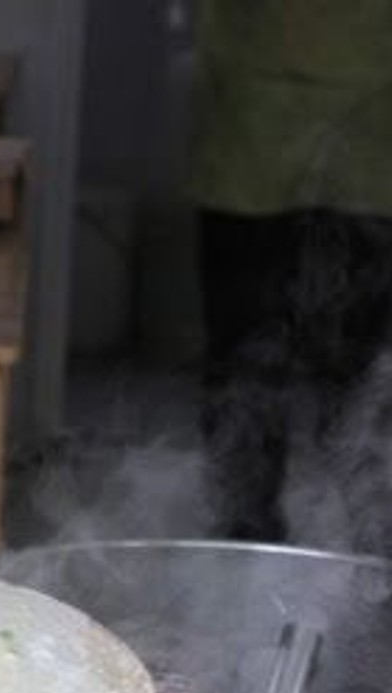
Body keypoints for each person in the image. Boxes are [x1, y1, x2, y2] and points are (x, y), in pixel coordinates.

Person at [189, 0, 392, 543]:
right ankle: (245, 546)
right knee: (247, 370)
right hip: (255, 120)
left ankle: (370, 562)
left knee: (364, 378)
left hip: (367, 129)